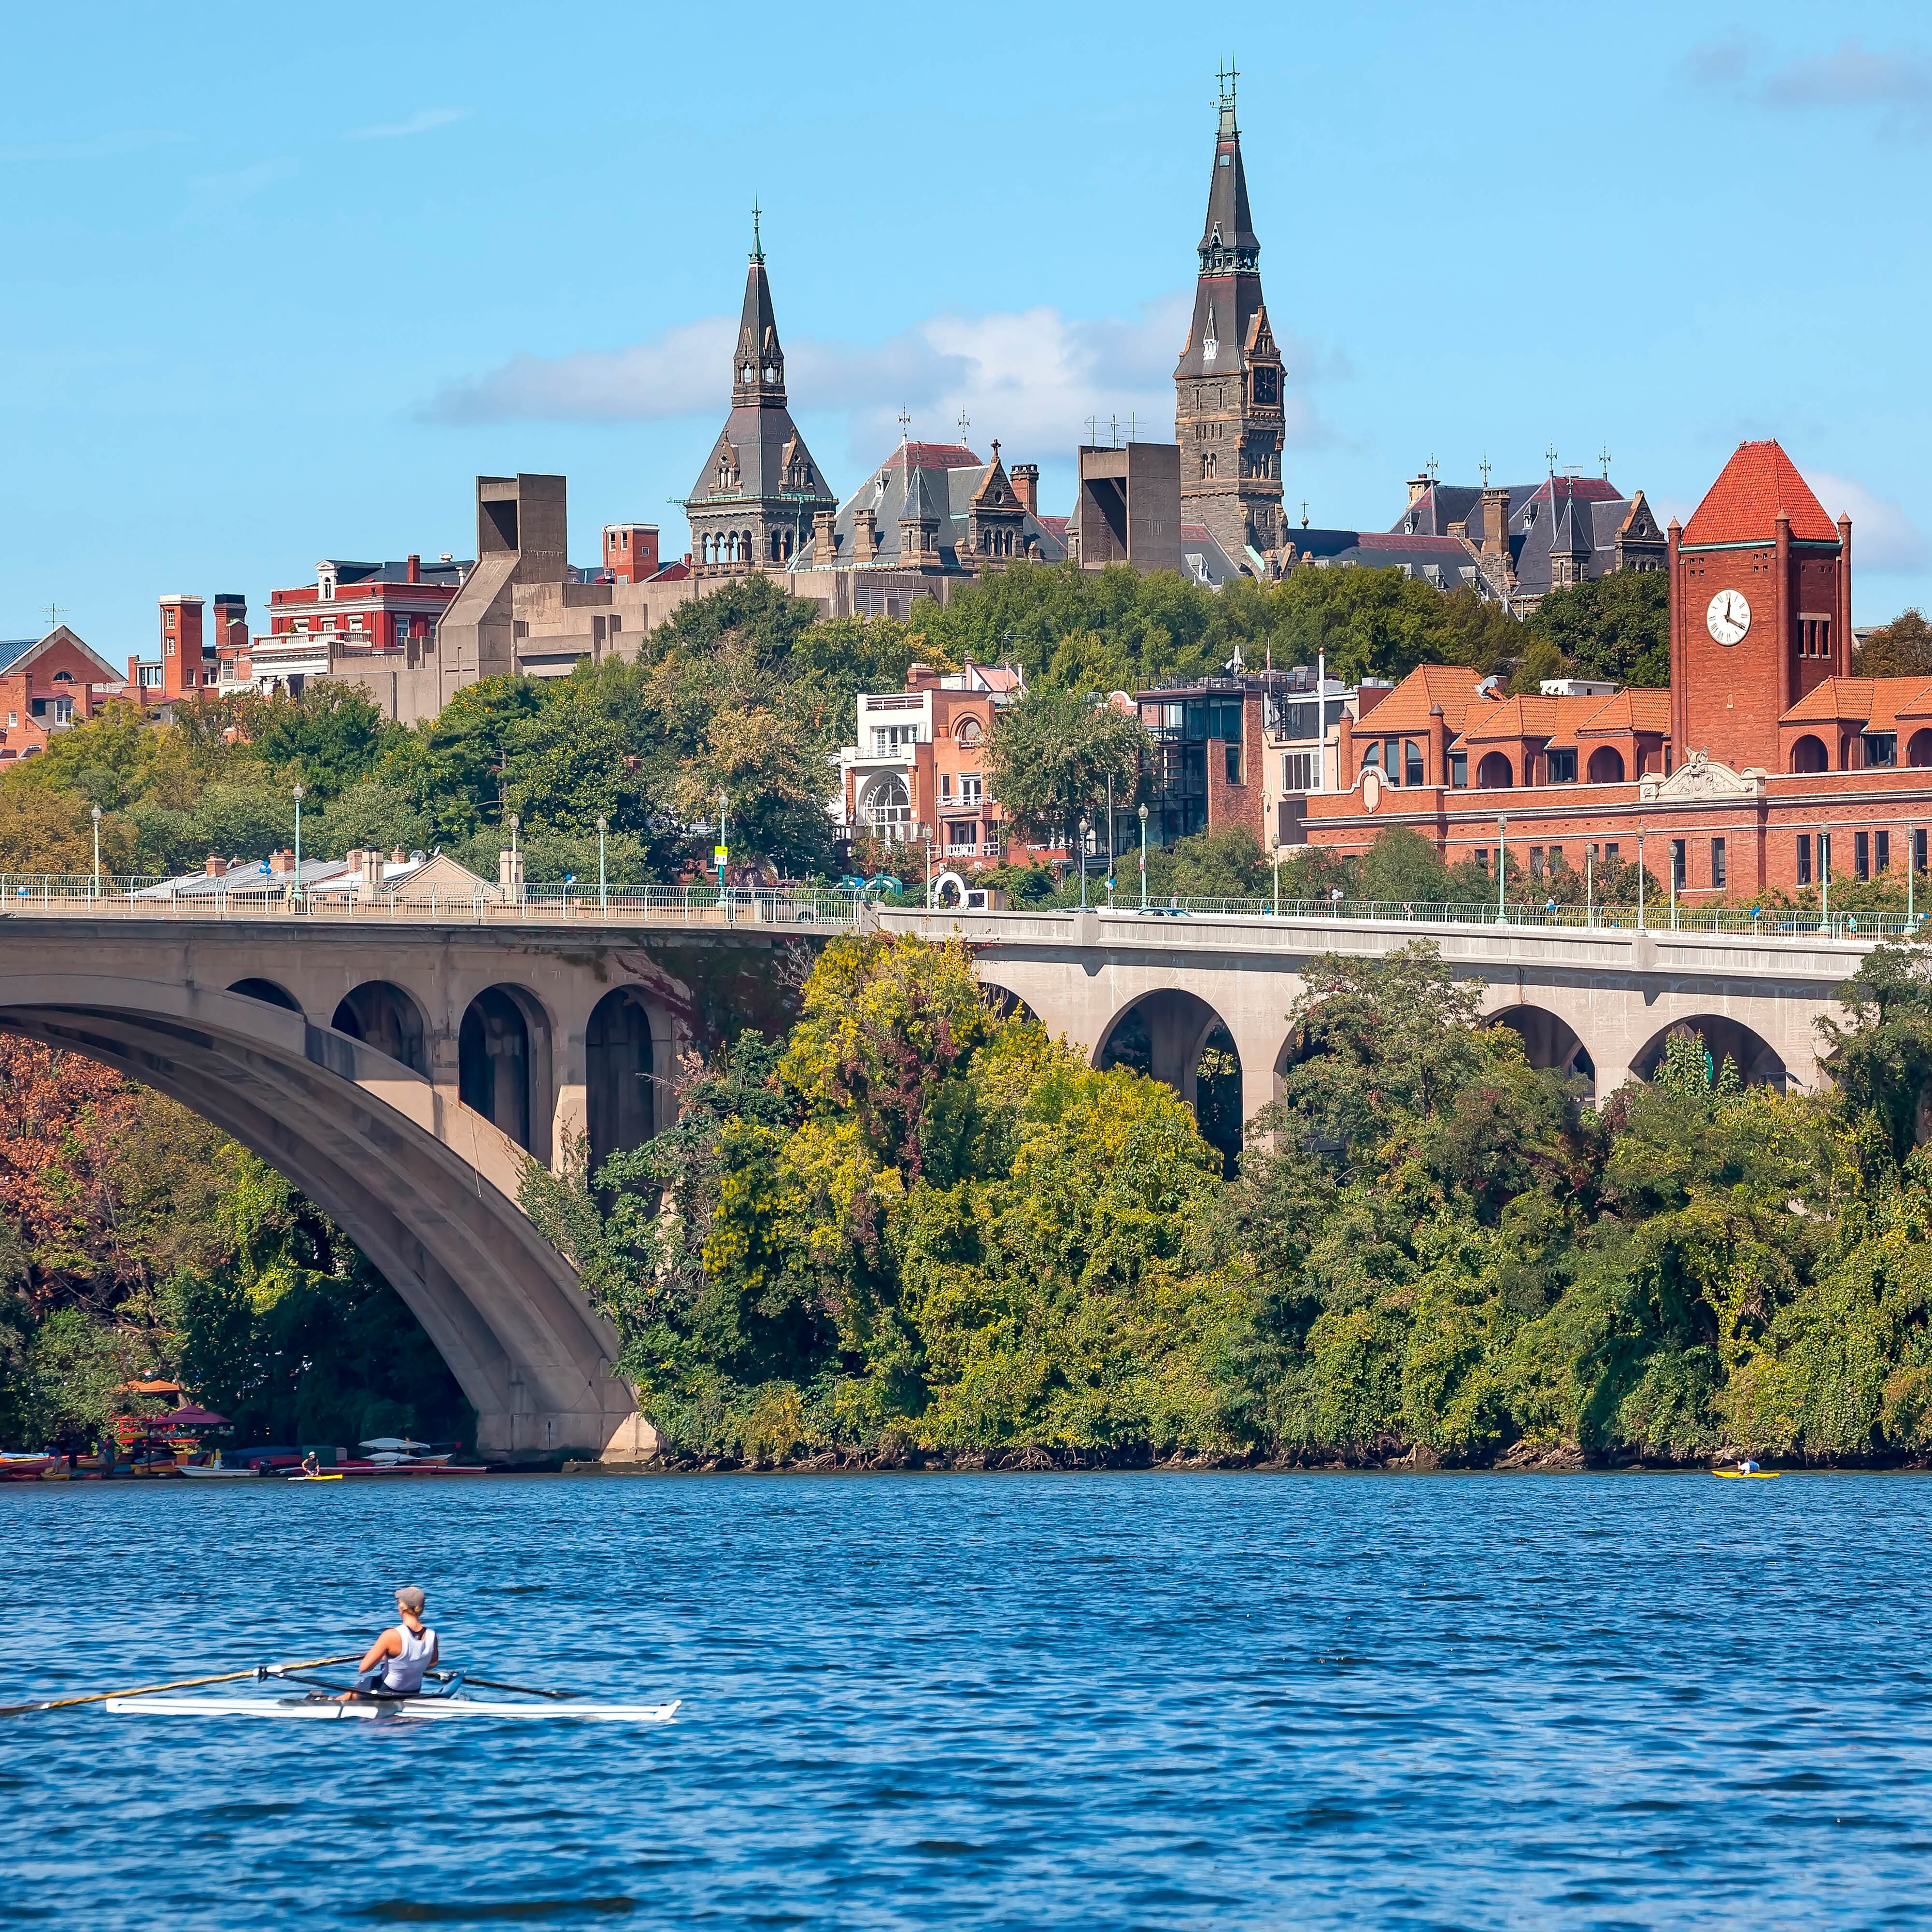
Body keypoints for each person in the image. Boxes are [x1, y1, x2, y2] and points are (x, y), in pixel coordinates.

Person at [342, 1588, 439, 1701]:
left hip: (387, 1691)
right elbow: (432, 1663)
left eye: (398, 1602)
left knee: (353, 1691)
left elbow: (364, 1668)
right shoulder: (432, 1636)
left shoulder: (391, 1635)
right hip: (413, 1691)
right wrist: (406, 1664)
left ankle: (328, 1706)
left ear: (402, 1606)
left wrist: (382, 1657)